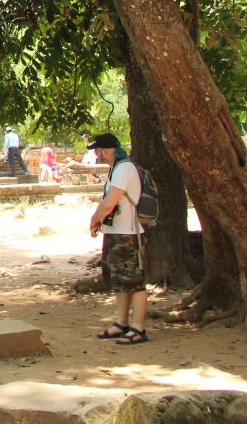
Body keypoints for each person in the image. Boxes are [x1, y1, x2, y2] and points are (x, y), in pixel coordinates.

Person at [88, 132, 148, 345]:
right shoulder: (116, 169)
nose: (97, 154)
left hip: (128, 233)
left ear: (107, 150)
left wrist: (94, 220)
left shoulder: (124, 169)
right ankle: (122, 322)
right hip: (116, 231)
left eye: (98, 150)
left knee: (135, 281)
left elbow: (109, 203)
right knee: (120, 281)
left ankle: (138, 327)